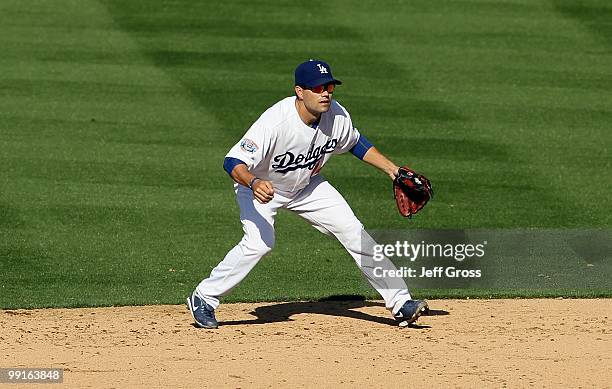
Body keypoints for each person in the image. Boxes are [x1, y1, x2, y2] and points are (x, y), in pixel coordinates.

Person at [187, 59, 428, 328]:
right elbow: (232, 162)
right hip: (262, 188)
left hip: (307, 187)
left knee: (353, 231)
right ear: (300, 92)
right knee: (259, 244)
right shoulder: (276, 122)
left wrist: (392, 170)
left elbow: (355, 143)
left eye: (329, 86)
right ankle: (204, 297)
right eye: (318, 88)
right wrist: (254, 183)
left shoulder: (336, 115)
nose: (326, 93)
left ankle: (401, 303)